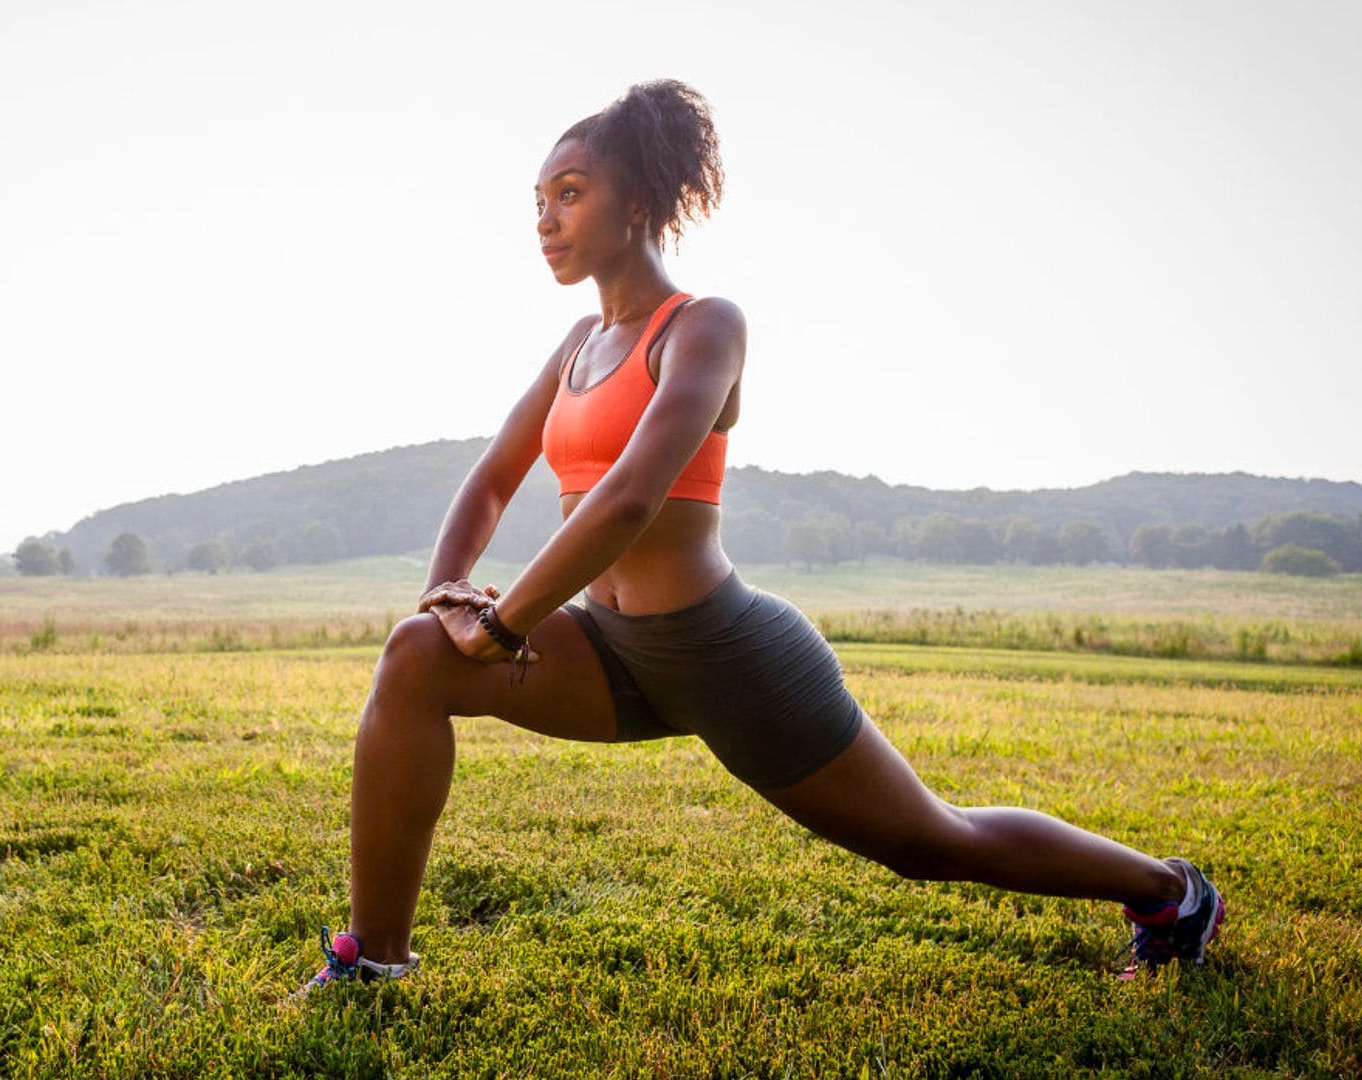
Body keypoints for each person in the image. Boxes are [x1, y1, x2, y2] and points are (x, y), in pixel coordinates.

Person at [297, 79, 1223, 996]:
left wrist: (502, 627)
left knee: (933, 844)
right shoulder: (578, 344)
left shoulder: (703, 327)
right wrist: (448, 593)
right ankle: (374, 958)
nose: (545, 219)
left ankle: (1168, 893)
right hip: (612, 650)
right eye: (537, 201)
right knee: (417, 655)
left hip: (727, 652)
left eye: (570, 193)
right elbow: (493, 476)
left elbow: (626, 500)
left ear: (642, 203)